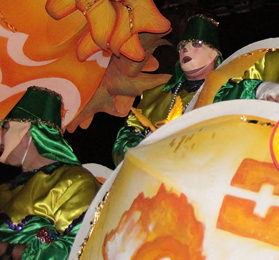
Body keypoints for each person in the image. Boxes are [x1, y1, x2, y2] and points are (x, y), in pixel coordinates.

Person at [0, 86, 100, 260]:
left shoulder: (74, 181)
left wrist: (9, 250)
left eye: (6, 128)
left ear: (30, 132)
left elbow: (81, 248)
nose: (0, 137)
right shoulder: (4, 188)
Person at [112, 14, 223, 166]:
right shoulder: (153, 97)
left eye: (196, 44)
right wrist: (150, 142)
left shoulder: (227, 91)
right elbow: (123, 144)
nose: (186, 50)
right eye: (182, 47)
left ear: (214, 53)